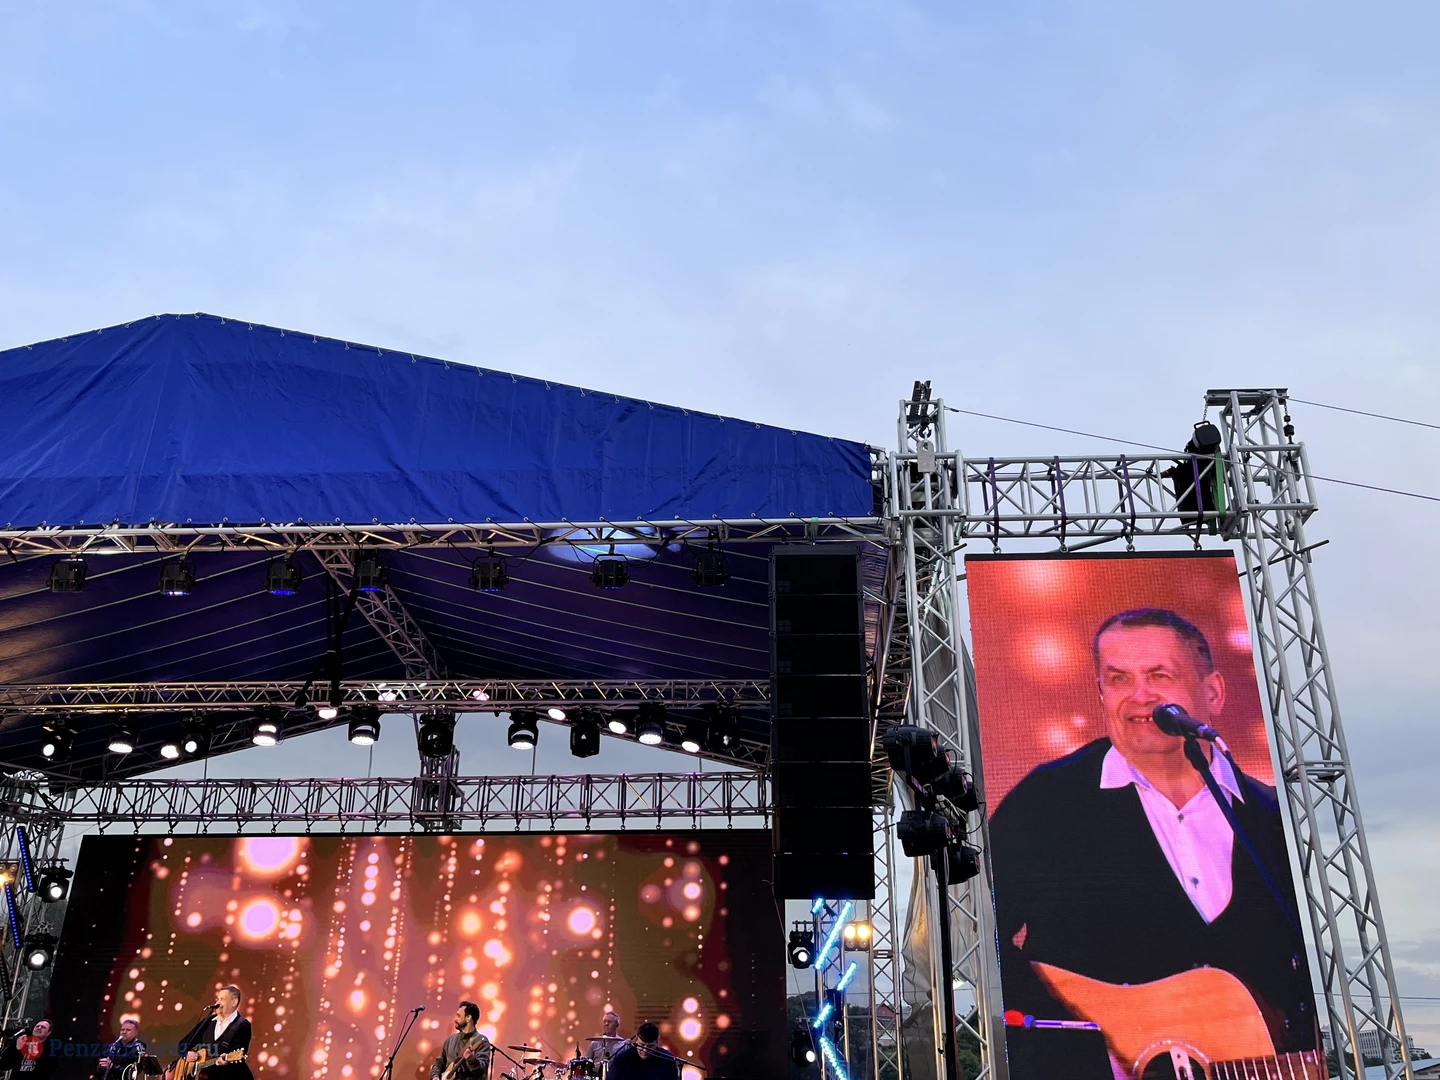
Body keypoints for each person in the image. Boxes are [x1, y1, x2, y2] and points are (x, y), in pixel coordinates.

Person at [987, 608, 1318, 1071]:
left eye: (1160, 675)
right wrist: (1085, 1042)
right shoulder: (1047, 801)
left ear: (1213, 692)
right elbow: (974, 935)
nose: (1140, 696)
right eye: (1118, 679)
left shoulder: (1272, 820)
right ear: (1101, 693)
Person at [178, 985, 252, 1080]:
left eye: (222, 999)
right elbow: (183, 1044)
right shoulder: (209, 1021)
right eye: (218, 999)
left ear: (234, 1002)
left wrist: (225, 1060)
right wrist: (186, 1054)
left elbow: (237, 1053)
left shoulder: (242, 1025)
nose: (217, 1002)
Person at [429, 1002, 491, 1080]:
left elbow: (482, 1069)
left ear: (468, 1018)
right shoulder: (450, 1040)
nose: (455, 1019)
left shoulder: (481, 1041)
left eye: (458, 1016)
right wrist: (435, 1076)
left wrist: (472, 1061)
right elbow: (439, 1063)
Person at [604, 1023, 678, 1080]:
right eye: (642, 1045)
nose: (645, 1050)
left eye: (650, 1046)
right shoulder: (622, 1058)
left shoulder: (667, 1059)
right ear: (636, 1040)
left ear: (657, 1042)